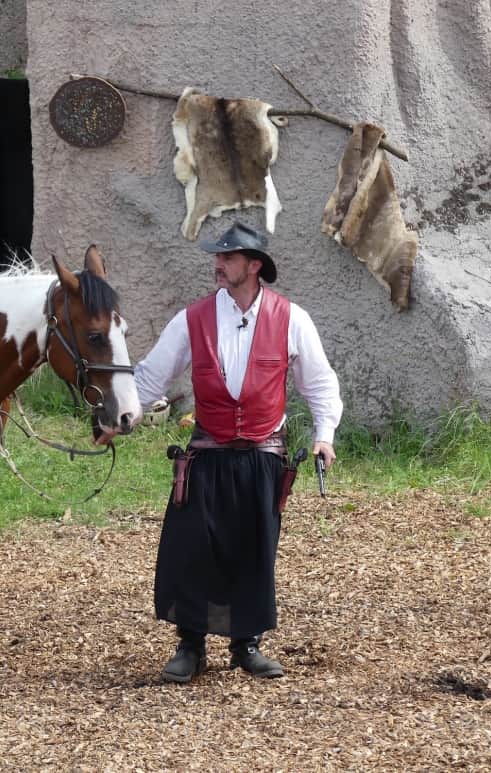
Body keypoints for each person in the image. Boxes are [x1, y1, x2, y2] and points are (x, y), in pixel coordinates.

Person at [133, 221, 343, 683]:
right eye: (218, 256)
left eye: (227, 257)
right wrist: (120, 419)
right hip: (206, 455)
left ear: (253, 266)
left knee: (254, 548)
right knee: (192, 549)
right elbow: (151, 377)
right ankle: (190, 646)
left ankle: (246, 645)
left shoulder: (292, 319)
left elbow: (320, 381)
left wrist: (324, 433)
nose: (217, 263)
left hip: (263, 456)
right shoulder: (192, 319)